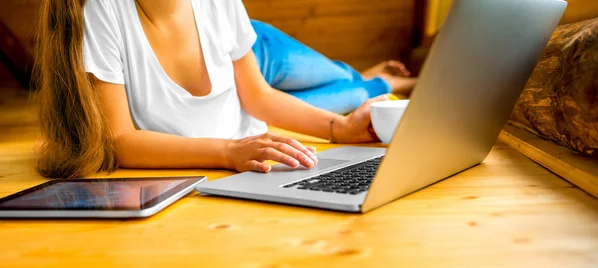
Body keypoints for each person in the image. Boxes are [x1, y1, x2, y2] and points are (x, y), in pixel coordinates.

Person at [36, 0, 417, 178]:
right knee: (352, 93)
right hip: (231, 146)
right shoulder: (102, 12)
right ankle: (377, 79)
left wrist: (341, 130)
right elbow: (118, 139)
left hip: (260, 56)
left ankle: (371, 78)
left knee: (345, 85)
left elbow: (259, 96)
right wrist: (229, 151)